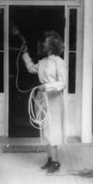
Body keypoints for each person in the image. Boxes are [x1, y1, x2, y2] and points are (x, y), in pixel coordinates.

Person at [22, 30, 67, 175]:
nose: (43, 43)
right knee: (45, 128)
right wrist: (25, 54)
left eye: (46, 41)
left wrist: (47, 86)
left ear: (53, 44)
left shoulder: (59, 62)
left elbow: (62, 83)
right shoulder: (43, 62)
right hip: (42, 98)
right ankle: (49, 159)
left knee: (52, 129)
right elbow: (31, 68)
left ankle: (56, 162)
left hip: (53, 99)